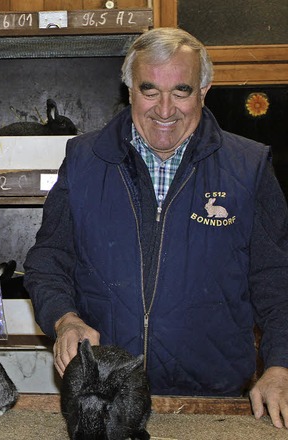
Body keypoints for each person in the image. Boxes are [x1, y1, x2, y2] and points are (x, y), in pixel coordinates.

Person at [23, 27, 288, 428]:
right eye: (150, 91)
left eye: (181, 91)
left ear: (204, 89)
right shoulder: (83, 159)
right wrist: (65, 319)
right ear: (129, 89)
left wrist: (281, 366)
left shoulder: (248, 168)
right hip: (104, 398)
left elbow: (276, 280)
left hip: (212, 402)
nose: (165, 110)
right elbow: (48, 259)